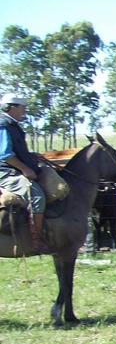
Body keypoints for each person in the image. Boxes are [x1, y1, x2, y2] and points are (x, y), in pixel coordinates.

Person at [0, 93, 51, 253]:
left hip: (13, 169)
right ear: (12, 107)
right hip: (6, 172)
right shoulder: (3, 125)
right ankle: (37, 241)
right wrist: (25, 168)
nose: (25, 111)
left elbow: (16, 151)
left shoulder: (12, 125)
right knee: (37, 196)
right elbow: (5, 154)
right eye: (23, 107)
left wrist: (31, 156)